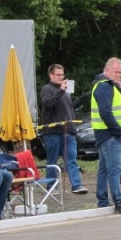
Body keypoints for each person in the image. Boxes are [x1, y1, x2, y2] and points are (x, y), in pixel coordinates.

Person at [91, 57, 121, 214]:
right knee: (115, 168)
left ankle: (103, 199)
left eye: (120, 72)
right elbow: (105, 112)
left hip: (105, 132)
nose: (119, 75)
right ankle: (119, 201)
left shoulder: (106, 85)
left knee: (105, 168)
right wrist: (117, 130)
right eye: (116, 72)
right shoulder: (104, 86)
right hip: (110, 133)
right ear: (107, 70)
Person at [39, 64, 88, 194]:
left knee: (71, 159)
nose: (61, 77)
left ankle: (76, 185)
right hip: (53, 132)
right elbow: (48, 103)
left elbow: (69, 109)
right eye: (58, 75)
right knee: (52, 160)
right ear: (51, 75)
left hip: (68, 132)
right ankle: (51, 186)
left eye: (62, 74)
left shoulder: (66, 92)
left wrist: (73, 128)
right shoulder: (46, 89)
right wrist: (61, 91)